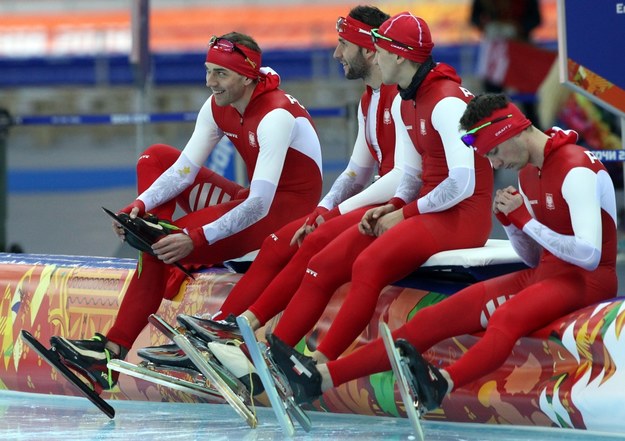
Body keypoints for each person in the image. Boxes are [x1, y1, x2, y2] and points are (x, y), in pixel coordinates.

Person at [269, 93, 618, 410]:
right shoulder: (529, 174)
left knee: (506, 318)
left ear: (511, 133)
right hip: (545, 273)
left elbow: (587, 255)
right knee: (433, 319)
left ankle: (443, 383)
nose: (494, 165)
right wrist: (512, 225)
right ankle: (321, 378)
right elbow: (532, 257)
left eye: (493, 153)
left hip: (587, 280)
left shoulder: (575, 169)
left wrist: (524, 220)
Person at [49, 31, 324, 391]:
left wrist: (193, 239)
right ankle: (148, 233)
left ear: (246, 76)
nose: (211, 82)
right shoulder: (218, 105)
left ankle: (112, 350)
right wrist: (141, 206)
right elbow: (183, 170)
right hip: (251, 200)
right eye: (208, 71)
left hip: (281, 214)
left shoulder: (275, 115)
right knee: (157, 157)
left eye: (221, 74)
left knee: (157, 246)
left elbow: (260, 203)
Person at [259, 11, 493, 371]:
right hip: (427, 206)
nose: (375, 54)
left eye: (380, 47)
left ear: (399, 56)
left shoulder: (447, 102)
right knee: (324, 262)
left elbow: (463, 184)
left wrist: (404, 213)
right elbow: (412, 174)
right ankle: (276, 354)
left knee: (368, 263)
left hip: (462, 213)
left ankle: (319, 367)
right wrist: (393, 206)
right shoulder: (405, 99)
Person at [176, 5, 413, 341]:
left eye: (343, 44)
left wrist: (334, 213)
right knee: (278, 243)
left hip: (399, 206)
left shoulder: (401, 98)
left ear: (368, 50)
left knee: (313, 250)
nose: (336, 53)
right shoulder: (369, 99)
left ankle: (239, 338)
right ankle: (227, 329)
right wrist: (324, 208)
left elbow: (404, 177)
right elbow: (356, 172)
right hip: (384, 203)